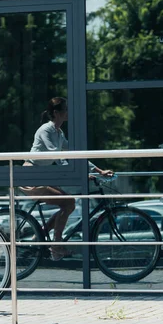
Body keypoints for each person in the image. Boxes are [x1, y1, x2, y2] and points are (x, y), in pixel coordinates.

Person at [21, 97, 113, 261]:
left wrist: (99, 171)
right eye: (66, 109)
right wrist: (79, 174)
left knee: (68, 203)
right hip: (31, 177)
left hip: (42, 176)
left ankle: (40, 236)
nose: (69, 112)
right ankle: (56, 246)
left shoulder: (59, 132)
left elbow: (75, 154)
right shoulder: (45, 130)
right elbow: (57, 155)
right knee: (68, 202)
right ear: (56, 113)